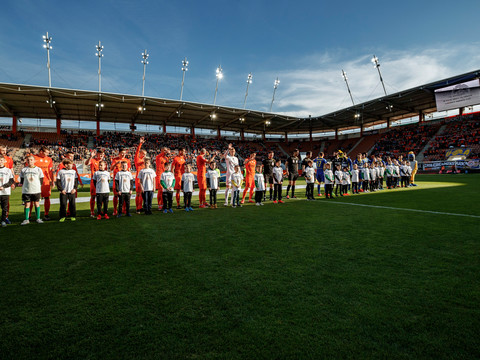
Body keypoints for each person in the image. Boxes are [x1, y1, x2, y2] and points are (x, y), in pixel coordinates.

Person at [20, 155, 44, 225]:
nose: (29, 161)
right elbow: (22, 180)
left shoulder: (38, 169)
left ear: (34, 161)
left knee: (36, 203)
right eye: (28, 160)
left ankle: (38, 218)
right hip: (26, 190)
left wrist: (38, 186)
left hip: (36, 190)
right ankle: (26, 219)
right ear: (26, 161)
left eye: (31, 160)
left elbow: (41, 179)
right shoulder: (24, 170)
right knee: (27, 204)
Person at [33, 147, 54, 221]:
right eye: (46, 152)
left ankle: (46, 214)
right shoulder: (33, 158)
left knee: (47, 197)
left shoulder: (49, 159)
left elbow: (50, 171)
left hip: (46, 181)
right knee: (33, 199)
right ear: (41, 151)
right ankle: (29, 216)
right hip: (35, 181)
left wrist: (52, 181)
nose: (47, 154)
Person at [85, 149, 105, 217]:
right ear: (97, 154)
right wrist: (91, 157)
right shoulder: (93, 160)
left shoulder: (104, 162)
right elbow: (86, 163)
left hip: (101, 182)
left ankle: (100, 210)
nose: (101, 155)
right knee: (93, 197)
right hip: (94, 182)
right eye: (100, 154)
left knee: (101, 197)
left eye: (102, 154)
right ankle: (92, 211)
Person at [111, 148, 131, 216]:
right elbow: (111, 168)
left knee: (125, 196)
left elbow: (129, 170)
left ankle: (124, 209)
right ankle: (115, 210)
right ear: (119, 153)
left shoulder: (127, 160)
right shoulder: (115, 159)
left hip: (125, 181)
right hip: (117, 180)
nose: (123, 154)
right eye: (122, 153)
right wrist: (115, 164)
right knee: (116, 195)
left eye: (124, 153)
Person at [0, 145, 15, 224]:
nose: (4, 152)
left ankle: (6, 217)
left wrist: (13, 182)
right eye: (2, 150)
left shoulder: (9, 159)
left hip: (6, 184)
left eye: (5, 150)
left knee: (6, 202)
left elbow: (11, 169)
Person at [134, 137, 148, 213]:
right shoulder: (137, 159)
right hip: (138, 178)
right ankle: (137, 208)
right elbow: (137, 151)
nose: (144, 155)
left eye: (145, 154)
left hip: (144, 178)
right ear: (140, 153)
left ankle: (141, 206)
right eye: (143, 154)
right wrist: (140, 144)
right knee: (138, 193)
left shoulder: (144, 160)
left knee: (143, 193)